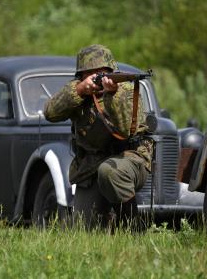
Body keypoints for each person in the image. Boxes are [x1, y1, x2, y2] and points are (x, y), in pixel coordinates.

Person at [44, 44, 153, 229]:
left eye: (102, 73)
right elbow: (50, 113)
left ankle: (133, 228)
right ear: (81, 76)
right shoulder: (78, 92)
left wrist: (112, 95)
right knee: (82, 230)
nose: (98, 78)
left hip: (129, 159)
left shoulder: (124, 90)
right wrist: (80, 91)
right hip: (91, 165)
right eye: (91, 74)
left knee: (110, 171)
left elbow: (126, 129)